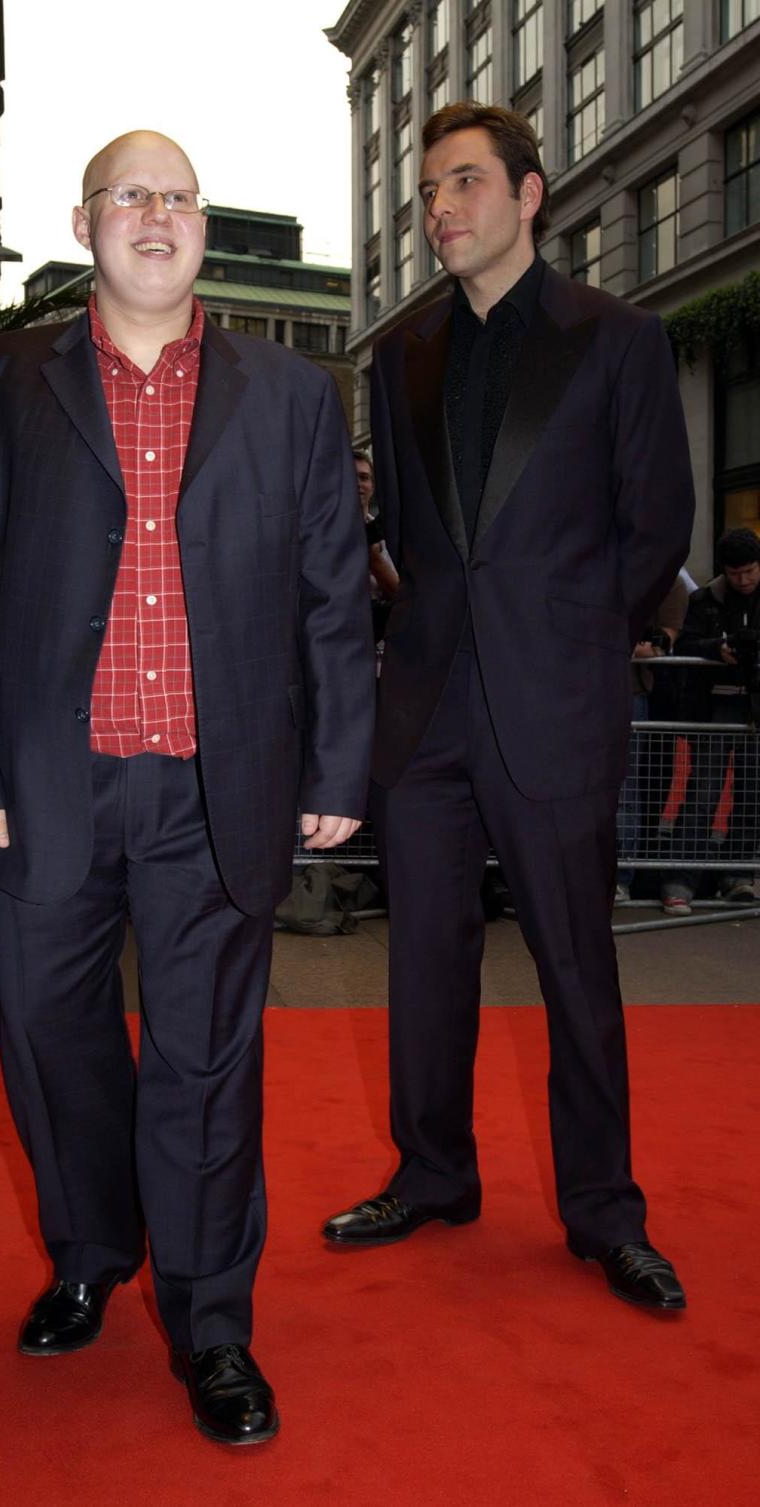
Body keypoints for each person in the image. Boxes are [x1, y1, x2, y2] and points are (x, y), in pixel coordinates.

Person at [0, 130, 373, 1446]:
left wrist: (337, 763)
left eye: (177, 197)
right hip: (43, 784)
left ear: (202, 226)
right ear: (85, 221)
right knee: (54, 1050)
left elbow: (333, 594)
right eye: (130, 196)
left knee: (207, 1062)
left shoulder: (291, 396)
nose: (155, 216)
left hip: (214, 789)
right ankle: (88, 1251)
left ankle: (214, 1319)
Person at [322, 102, 694, 1312]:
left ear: (529, 196)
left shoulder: (617, 339)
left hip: (555, 702)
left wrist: (579, 644)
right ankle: (432, 1171)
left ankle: (603, 1210)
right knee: (422, 963)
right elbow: (409, 541)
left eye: (466, 184)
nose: (441, 210)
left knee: (576, 968)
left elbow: (657, 528)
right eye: (430, 190)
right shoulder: (400, 356)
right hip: (425, 711)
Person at [661, 528, 760, 916]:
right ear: (724, 570)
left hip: (753, 708)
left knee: (751, 796)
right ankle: (680, 880)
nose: (744, 580)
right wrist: (717, 650)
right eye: (736, 573)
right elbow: (685, 643)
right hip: (714, 707)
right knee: (703, 792)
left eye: (750, 571)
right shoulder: (704, 599)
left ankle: (736, 877)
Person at [615, 575, 689, 901]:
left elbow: (660, 643)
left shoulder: (669, 583)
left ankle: (620, 878)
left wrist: (612, 643)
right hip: (586, 690)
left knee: (627, 788)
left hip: (631, 693)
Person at [354, 449, 399, 645]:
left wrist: (372, 558)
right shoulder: (317, 534)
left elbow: (402, 596)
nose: (357, 484)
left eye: (363, 477)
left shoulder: (387, 537)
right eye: (350, 476)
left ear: (372, 485)